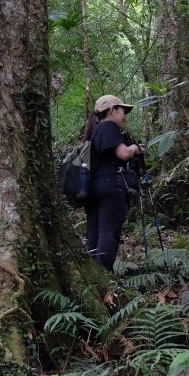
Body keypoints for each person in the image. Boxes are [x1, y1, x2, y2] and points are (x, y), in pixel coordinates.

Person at [82, 94, 144, 272]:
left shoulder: (93, 132)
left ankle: (93, 273)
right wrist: (135, 148)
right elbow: (123, 154)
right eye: (123, 110)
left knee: (94, 232)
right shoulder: (109, 126)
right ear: (112, 110)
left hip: (92, 188)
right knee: (108, 231)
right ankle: (104, 276)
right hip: (110, 186)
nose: (124, 116)